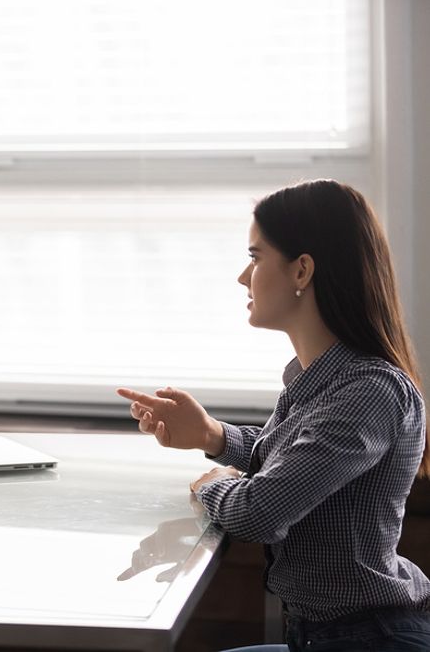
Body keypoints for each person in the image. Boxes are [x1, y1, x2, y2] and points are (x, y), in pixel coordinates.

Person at [117, 179, 430, 651]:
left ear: (302, 270)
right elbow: (289, 462)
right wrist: (212, 434)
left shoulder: (368, 392)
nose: (244, 278)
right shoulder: (320, 381)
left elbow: (259, 512)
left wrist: (210, 486)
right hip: (327, 634)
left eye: (255, 257)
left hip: (370, 639)